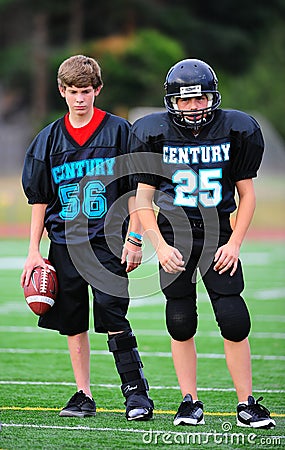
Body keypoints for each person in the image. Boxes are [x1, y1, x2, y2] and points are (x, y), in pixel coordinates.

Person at [129, 58, 275, 428]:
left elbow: (247, 195)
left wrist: (236, 243)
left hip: (219, 237)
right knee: (180, 320)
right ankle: (189, 401)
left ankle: (246, 403)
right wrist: (159, 246)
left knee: (233, 318)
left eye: (200, 99)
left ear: (213, 97)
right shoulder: (153, 132)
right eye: (185, 101)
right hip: (175, 235)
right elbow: (142, 198)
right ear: (172, 102)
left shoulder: (236, 129)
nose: (194, 107)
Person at [21, 55, 153, 421]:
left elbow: (141, 189)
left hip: (108, 240)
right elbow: (39, 199)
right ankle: (83, 394)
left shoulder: (120, 131)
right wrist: (33, 251)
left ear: (97, 90)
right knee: (73, 320)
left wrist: (136, 237)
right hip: (64, 242)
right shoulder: (47, 139)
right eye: (73, 92)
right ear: (62, 91)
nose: (80, 99)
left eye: (86, 91)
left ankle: (136, 393)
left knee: (112, 313)